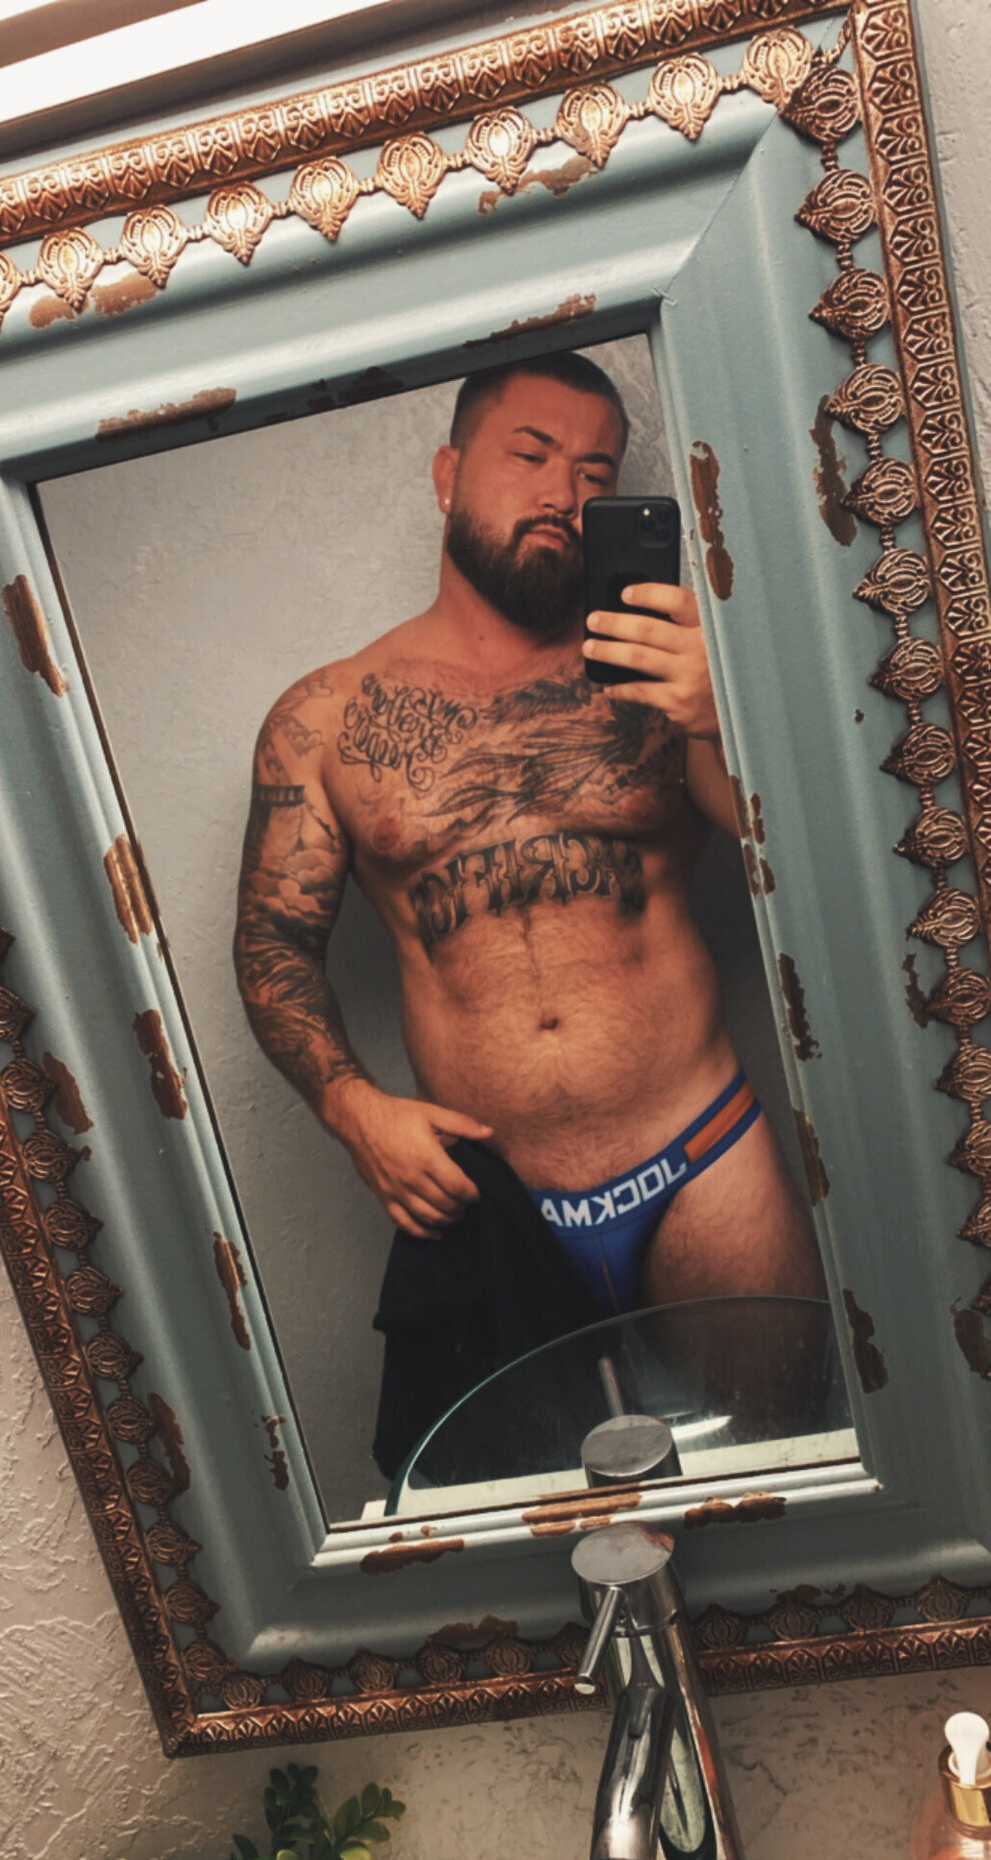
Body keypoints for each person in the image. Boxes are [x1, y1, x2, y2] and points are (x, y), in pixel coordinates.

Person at [233, 351, 823, 1321]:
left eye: (595, 472)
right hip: (491, 1204)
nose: (563, 494)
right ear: (448, 473)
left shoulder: (671, 679)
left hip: (704, 1162)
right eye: (531, 453)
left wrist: (727, 716)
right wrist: (352, 1108)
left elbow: (808, 867)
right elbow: (273, 943)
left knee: (785, 1422)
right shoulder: (325, 718)